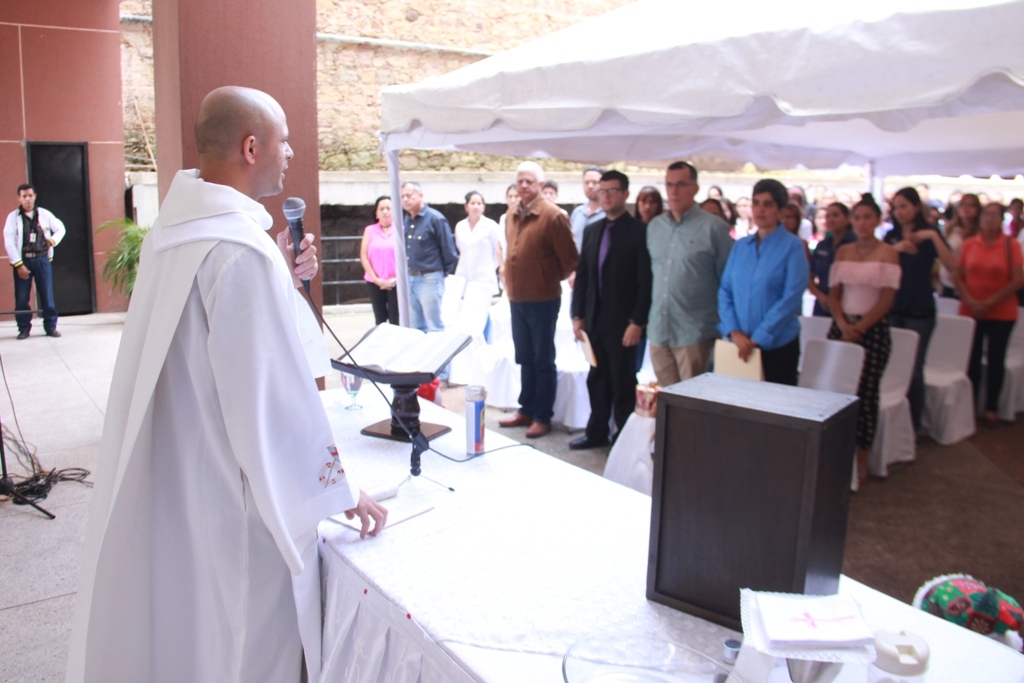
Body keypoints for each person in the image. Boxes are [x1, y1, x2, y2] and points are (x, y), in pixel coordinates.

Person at [67, 86, 386, 683]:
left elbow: (210, 343)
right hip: (231, 487)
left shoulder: (177, 233)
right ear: (249, 146)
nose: (290, 152)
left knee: (188, 627)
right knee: (242, 636)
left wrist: (282, 279)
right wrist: (336, 488)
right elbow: (268, 400)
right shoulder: (239, 253)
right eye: (283, 139)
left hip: (181, 466)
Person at [570, 170, 651, 449]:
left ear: (626, 194)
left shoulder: (640, 232)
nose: (605, 195)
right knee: (597, 379)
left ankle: (623, 441)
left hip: (623, 323)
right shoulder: (593, 230)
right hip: (594, 320)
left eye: (612, 190)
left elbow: (646, 282)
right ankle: (597, 433)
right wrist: (577, 315)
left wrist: (637, 321)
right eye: (602, 190)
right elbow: (583, 277)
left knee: (623, 383)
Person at [498, 161, 578, 438]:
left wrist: (542, 276)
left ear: (541, 186)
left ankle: (543, 416)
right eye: (520, 180)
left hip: (543, 299)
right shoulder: (511, 214)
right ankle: (526, 409)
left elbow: (569, 261)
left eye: (530, 181)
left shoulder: (554, 216)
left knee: (543, 359)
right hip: (517, 298)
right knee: (525, 356)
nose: (523, 185)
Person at [826, 195, 901, 485]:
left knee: (866, 395)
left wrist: (861, 327)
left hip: (873, 330)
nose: (862, 223)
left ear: (878, 220)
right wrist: (844, 324)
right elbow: (834, 293)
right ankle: (834, 449)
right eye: (857, 217)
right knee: (836, 390)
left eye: (868, 217)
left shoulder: (888, 253)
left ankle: (862, 456)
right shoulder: (843, 251)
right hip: (842, 326)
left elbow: (886, 300)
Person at [646, 161, 733, 386]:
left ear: (695, 188)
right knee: (667, 403)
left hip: (695, 334)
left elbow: (728, 281)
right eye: (669, 184)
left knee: (692, 407)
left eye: (681, 184)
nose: (674, 191)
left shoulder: (714, 228)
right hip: (659, 329)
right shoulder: (655, 227)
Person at [718, 179, 810, 386]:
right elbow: (725, 291)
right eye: (756, 203)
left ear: (779, 209)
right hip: (738, 344)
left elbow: (791, 298)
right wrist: (734, 331)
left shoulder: (792, 247)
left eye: (767, 204)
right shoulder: (741, 246)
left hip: (778, 346)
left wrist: (758, 337)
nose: (760, 210)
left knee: (775, 412)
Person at [884, 186, 958, 433]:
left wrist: (934, 237)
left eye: (904, 206)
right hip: (894, 308)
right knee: (893, 367)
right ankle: (896, 422)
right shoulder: (891, 236)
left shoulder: (928, 235)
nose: (900, 212)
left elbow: (953, 266)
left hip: (920, 310)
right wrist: (898, 249)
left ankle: (913, 426)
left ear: (916, 207)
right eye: (896, 207)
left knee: (915, 370)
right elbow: (877, 262)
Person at [952, 202, 1024, 427]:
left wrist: (989, 302)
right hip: (970, 309)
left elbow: (1017, 279)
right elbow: (958, 276)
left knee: (995, 359)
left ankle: (991, 407)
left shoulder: (1010, 245)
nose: (989, 219)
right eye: (986, 215)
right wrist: (972, 301)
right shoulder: (970, 244)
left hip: (1001, 311)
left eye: (994, 215)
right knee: (971, 359)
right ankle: (971, 405)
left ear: (1001, 219)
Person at [4, 183, 66, 339]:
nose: (28, 199)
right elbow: (9, 241)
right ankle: (24, 328)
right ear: (19, 198)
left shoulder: (44, 214)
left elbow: (61, 228)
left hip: (42, 260)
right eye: (24, 196)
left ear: (35, 196)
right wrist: (18, 264)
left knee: (47, 294)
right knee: (22, 297)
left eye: (30, 196)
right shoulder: (13, 218)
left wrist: (52, 241)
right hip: (23, 261)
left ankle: (50, 327)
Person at [400, 181, 458, 333]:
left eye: (409, 195)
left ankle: (442, 357)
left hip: (429, 277)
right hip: (410, 277)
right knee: (415, 327)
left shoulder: (435, 219)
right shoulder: (406, 220)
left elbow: (449, 251)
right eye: (403, 196)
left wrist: (438, 274)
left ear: (420, 196)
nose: (406, 199)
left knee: (434, 325)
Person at [808, 202, 857, 317]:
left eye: (835, 215)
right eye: (828, 216)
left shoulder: (855, 245)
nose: (831, 219)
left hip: (848, 304)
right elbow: (809, 276)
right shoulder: (822, 246)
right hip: (822, 304)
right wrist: (821, 297)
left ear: (847, 218)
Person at [454, 190, 502, 296]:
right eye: (472, 203)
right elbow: (460, 248)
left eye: (479, 204)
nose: (476, 207)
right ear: (466, 207)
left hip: (484, 276)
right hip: (464, 274)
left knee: (482, 309)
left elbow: (498, 250)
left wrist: (489, 267)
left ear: (483, 207)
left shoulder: (491, 225)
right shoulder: (460, 226)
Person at [360, 195, 399, 325]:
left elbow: (408, 257)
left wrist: (396, 279)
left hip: (396, 282)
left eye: (388, 208)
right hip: (374, 282)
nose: (385, 212)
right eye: (381, 209)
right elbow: (364, 256)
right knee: (380, 319)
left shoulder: (401, 230)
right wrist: (377, 280)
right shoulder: (370, 231)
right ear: (376, 213)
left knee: (396, 318)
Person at [938, 193, 981, 297]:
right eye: (962, 205)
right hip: (948, 281)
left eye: (971, 205)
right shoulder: (950, 229)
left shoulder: (981, 232)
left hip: (972, 281)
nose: (966, 208)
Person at [569, 166, 605, 251]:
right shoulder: (577, 212)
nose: (590, 186)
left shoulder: (608, 214)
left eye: (595, 182)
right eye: (586, 182)